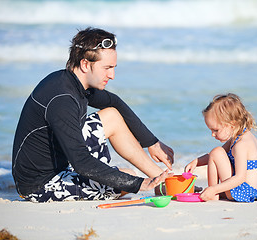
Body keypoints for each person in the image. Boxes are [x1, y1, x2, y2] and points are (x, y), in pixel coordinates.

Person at [12, 27, 174, 202]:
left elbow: (115, 102)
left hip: (64, 160)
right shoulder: (62, 99)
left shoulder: (72, 82)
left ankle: (166, 182)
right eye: (107, 68)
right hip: (40, 185)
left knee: (111, 115)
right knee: (128, 176)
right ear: (85, 64)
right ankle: (156, 184)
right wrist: (141, 184)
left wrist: (152, 142)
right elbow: (81, 162)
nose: (112, 75)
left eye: (113, 67)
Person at [185, 93, 257, 202]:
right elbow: (214, 157)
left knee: (217, 151)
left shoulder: (241, 145)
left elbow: (240, 178)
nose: (212, 134)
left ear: (231, 124)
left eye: (216, 130)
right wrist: (197, 162)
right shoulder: (241, 136)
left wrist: (213, 189)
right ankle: (214, 191)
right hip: (254, 191)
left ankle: (213, 193)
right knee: (217, 152)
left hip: (243, 191)